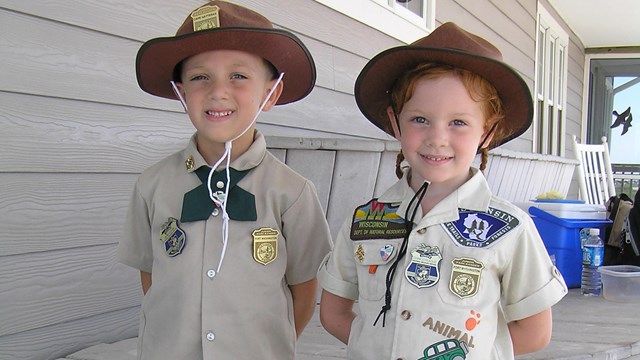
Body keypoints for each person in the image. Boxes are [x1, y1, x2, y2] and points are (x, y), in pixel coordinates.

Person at [317, 22, 568, 359]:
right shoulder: (365, 220)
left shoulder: (511, 228)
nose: (437, 138)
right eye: (420, 119)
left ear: (487, 132)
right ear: (396, 123)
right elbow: (333, 314)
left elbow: (536, 332)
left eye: (458, 123)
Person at [117, 2, 332, 359]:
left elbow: (304, 286)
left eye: (238, 76)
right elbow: (151, 275)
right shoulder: (152, 186)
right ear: (182, 92)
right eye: (200, 77)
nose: (218, 92)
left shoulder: (293, 193)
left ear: (270, 93)